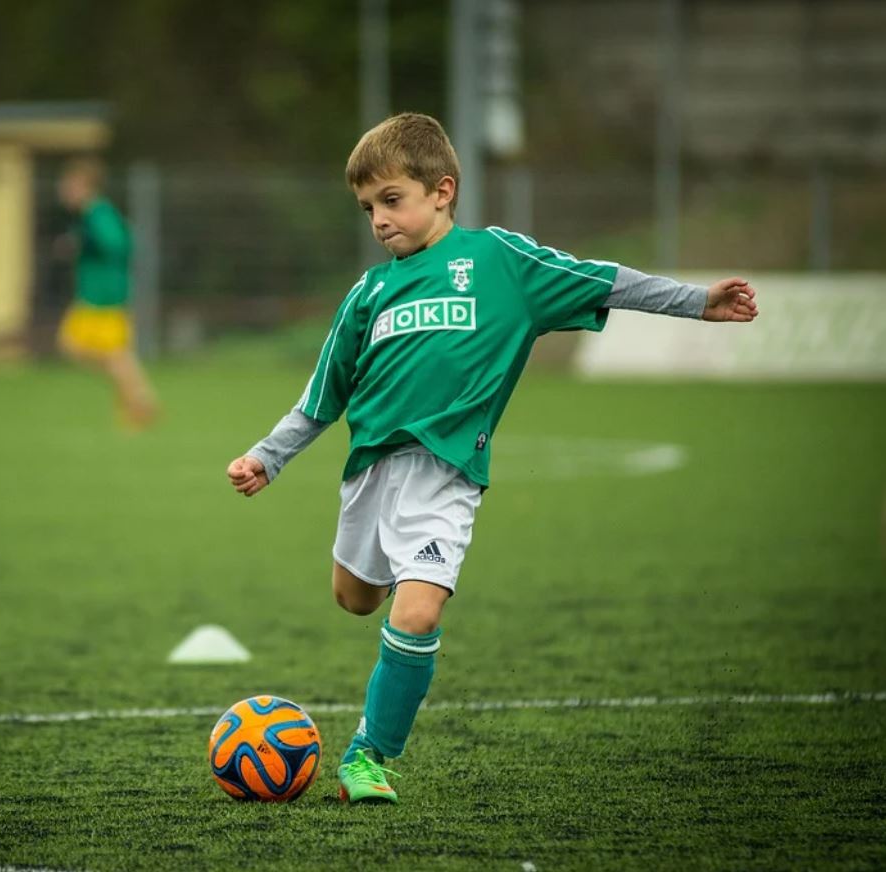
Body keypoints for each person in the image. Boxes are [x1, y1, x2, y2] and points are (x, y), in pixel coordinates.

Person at [226, 113, 758, 805]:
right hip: (370, 474)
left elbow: (602, 280)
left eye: (392, 200)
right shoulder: (368, 293)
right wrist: (268, 458)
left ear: (441, 190)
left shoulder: (500, 262)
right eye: (367, 209)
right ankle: (402, 586)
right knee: (354, 598)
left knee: (414, 616)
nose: (379, 220)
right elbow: (321, 396)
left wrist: (695, 302)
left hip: (446, 475)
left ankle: (369, 755)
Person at [55, 157, 158, 428]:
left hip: (104, 297)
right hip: (93, 295)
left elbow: (119, 243)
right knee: (81, 349)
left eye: (70, 185)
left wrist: (85, 243)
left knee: (109, 354)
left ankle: (139, 401)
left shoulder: (98, 213)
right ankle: (137, 398)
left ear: (85, 186)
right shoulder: (90, 216)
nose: (64, 191)